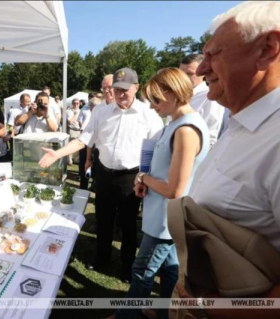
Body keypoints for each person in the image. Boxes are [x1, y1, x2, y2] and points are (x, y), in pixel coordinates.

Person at [173, 2, 280, 318]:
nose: (202, 69)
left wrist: (218, 308)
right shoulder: (242, 121)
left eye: (212, 54)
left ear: (267, 50)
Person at [39, 68, 164, 281]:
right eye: (116, 89)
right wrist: (57, 153)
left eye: (125, 90)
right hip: (104, 174)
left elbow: (156, 150)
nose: (120, 94)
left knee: (127, 225)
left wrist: (144, 177)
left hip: (131, 177)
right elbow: (82, 140)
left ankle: (127, 266)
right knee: (103, 220)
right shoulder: (101, 112)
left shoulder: (149, 115)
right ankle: (102, 257)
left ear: (136, 87)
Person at [108, 68, 209, 319]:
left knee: (143, 270)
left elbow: (175, 189)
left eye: (155, 99)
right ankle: (165, 314)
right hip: (163, 216)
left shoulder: (186, 129)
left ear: (172, 93)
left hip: (166, 218)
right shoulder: (175, 123)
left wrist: (144, 178)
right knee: (170, 268)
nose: (151, 106)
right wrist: (147, 180)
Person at [179, 54, 225, 146]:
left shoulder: (210, 98)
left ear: (202, 73)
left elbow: (210, 137)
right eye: (181, 74)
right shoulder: (178, 96)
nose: (184, 78)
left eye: (190, 74)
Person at [77, 97, 101, 189]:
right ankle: (87, 186)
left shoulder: (97, 116)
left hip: (92, 144)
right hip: (87, 143)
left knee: (90, 166)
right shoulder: (89, 114)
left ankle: (90, 185)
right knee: (87, 167)